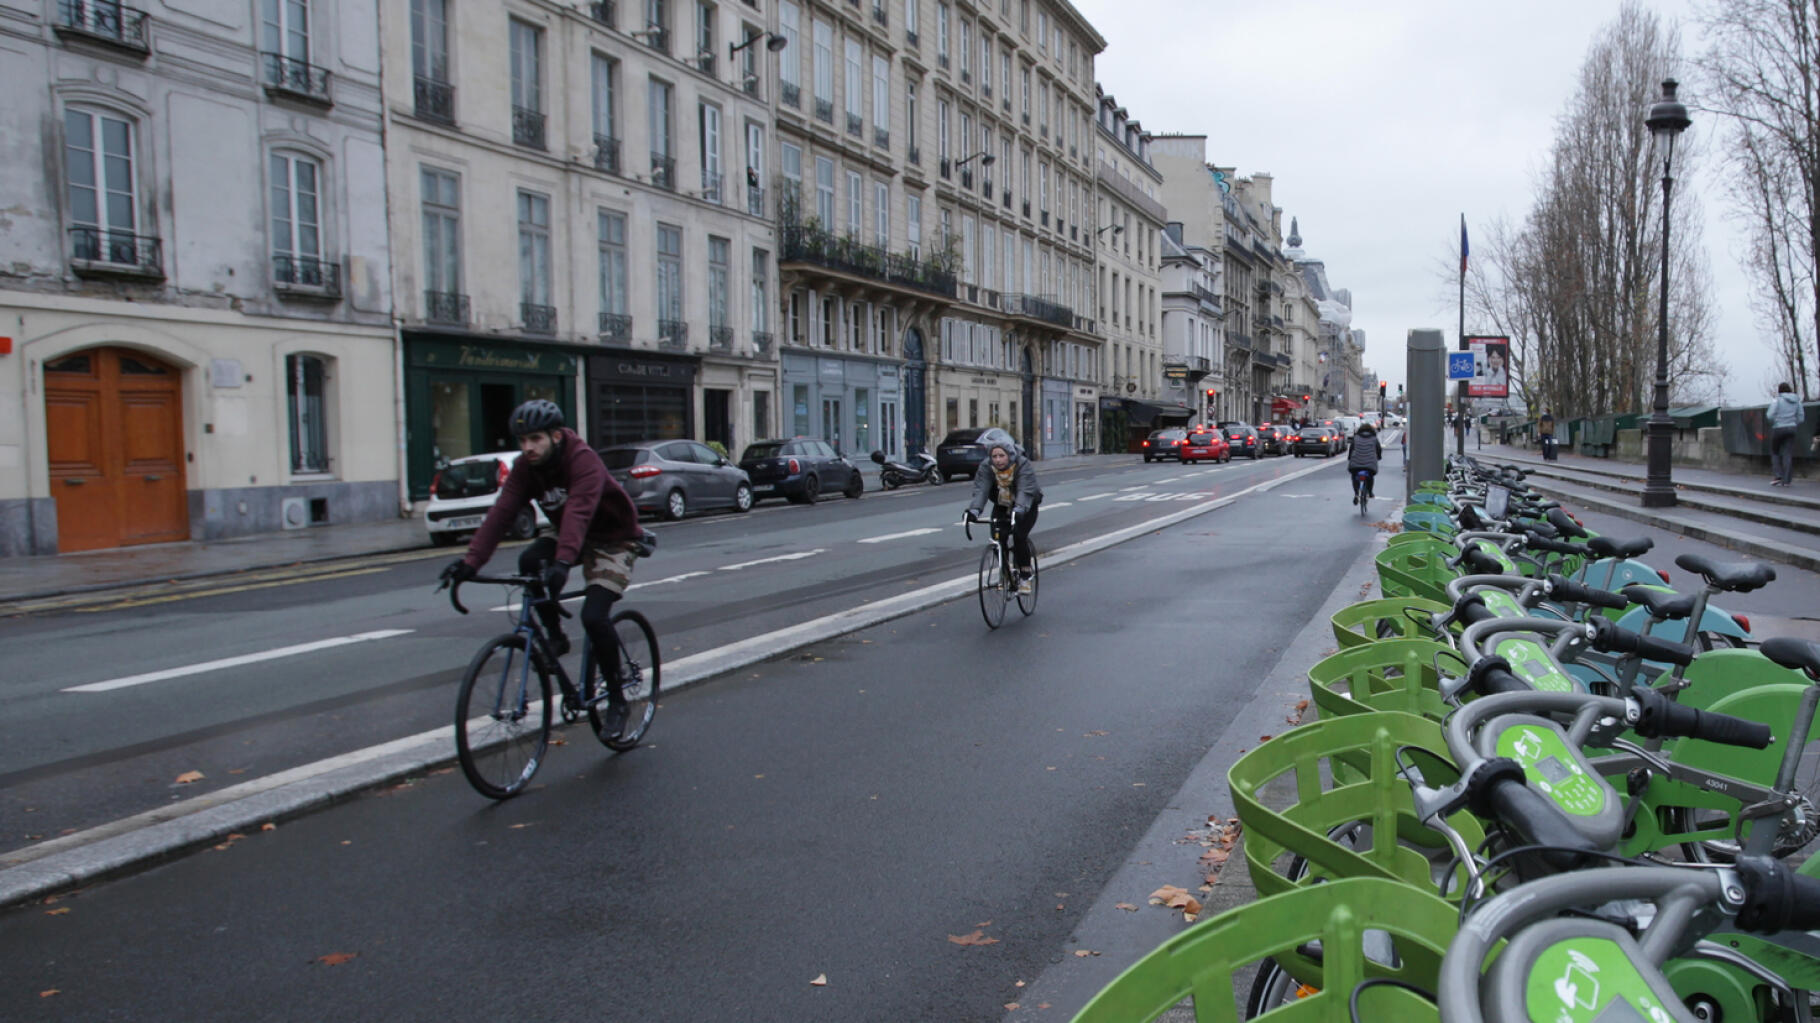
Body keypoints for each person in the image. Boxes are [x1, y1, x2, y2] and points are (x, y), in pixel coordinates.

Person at [440, 399, 645, 736]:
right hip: (567, 530)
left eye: (535, 439)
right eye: (522, 441)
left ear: (556, 436)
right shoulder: (525, 468)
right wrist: (470, 562)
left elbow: (579, 509)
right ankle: (556, 636)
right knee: (529, 562)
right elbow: (501, 513)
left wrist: (564, 563)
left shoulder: (582, 459)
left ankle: (618, 700)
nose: (528, 448)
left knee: (594, 616)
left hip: (613, 536)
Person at [964, 440, 1043, 594]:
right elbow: (981, 489)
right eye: (994, 456)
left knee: (1019, 536)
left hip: (1026, 505)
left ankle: (1025, 575)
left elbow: (1025, 489)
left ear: (1010, 455)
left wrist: (1020, 508)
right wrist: (974, 510)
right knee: (998, 538)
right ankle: (1006, 573)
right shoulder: (987, 467)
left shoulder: (1022, 465)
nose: (998, 460)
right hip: (1002, 505)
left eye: (1002, 456)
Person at [1768, 382, 1803, 486]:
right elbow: (1801, 417)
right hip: (1792, 428)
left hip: (1778, 428)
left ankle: (1778, 475)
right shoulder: (1797, 401)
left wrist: (1776, 422)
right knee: (1787, 454)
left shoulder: (1777, 400)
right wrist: (1793, 423)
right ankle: (1787, 480)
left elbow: (1770, 415)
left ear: (1780, 391)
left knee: (1775, 452)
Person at [1347, 421, 1382, 504]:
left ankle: (1356, 494)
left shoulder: (1356, 438)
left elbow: (1351, 449)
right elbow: (1379, 449)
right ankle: (1370, 492)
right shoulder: (1374, 438)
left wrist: (1349, 458)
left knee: (1354, 476)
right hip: (1370, 464)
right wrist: (1379, 457)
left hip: (1356, 463)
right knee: (1370, 476)